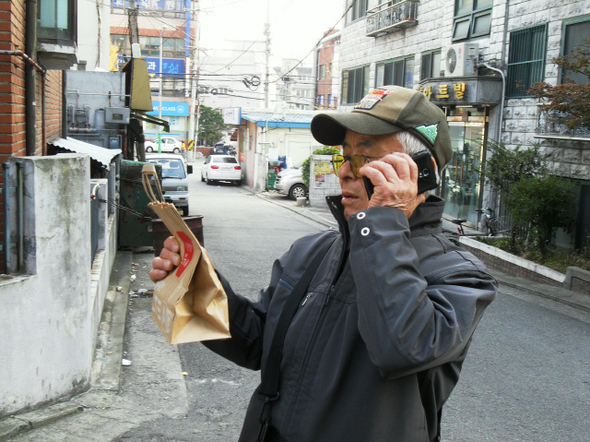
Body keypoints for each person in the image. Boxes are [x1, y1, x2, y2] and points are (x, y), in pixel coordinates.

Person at [151, 86, 497, 441]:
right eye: (344, 156)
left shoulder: (460, 276)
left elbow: (402, 348)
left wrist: (383, 222)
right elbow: (258, 343)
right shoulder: (312, 251)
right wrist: (198, 287)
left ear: (421, 172)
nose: (345, 171)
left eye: (364, 157)